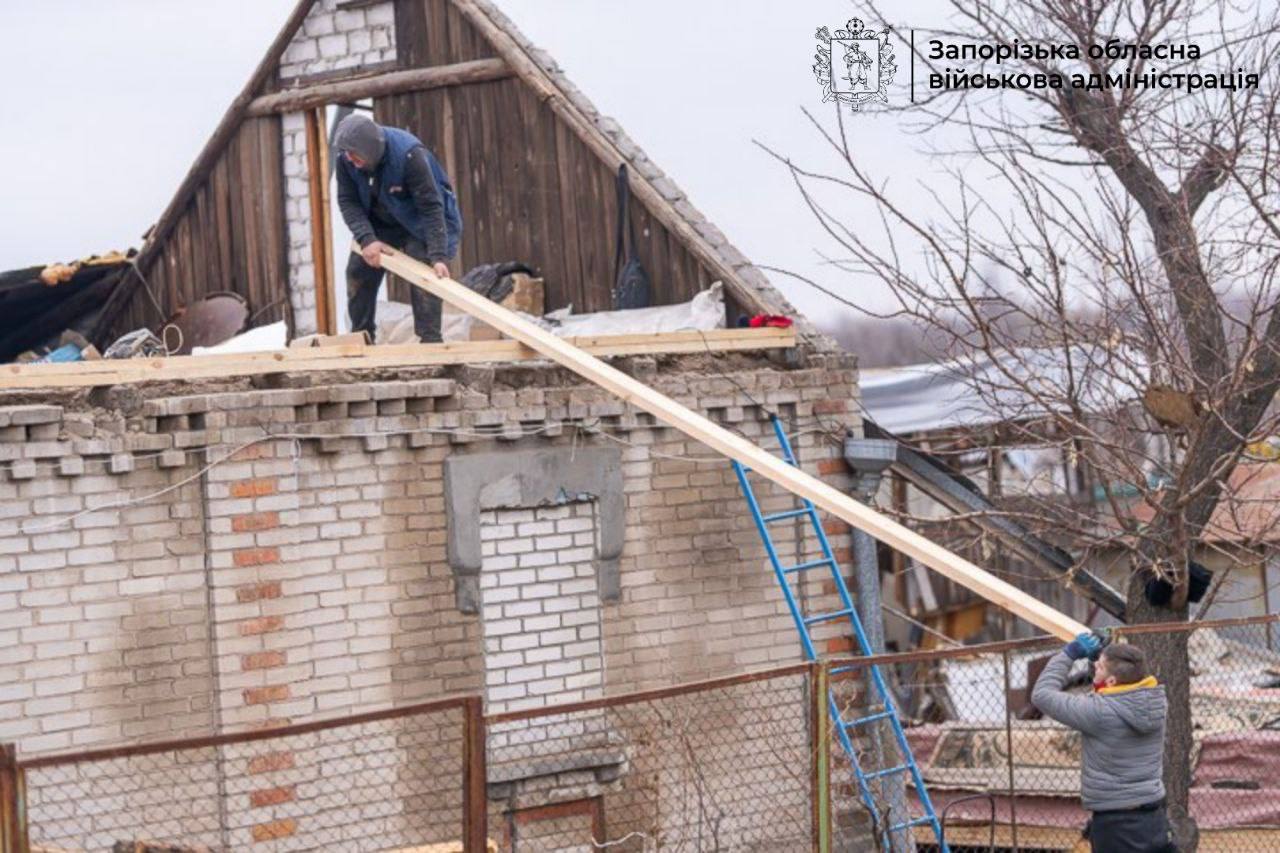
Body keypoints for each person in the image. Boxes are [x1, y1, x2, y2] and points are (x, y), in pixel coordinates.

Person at [1032, 632, 1176, 852]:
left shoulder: (1097, 713)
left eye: (1098, 667)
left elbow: (1042, 694)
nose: (1094, 669)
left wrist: (1068, 655)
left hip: (1116, 823)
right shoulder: (1155, 701)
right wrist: (1101, 660)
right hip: (1153, 815)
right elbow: (1114, 695)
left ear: (1110, 681)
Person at [333, 113, 461, 343]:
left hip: (421, 222)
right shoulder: (346, 161)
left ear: (369, 148)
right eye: (346, 154)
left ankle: (430, 343)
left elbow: (431, 208)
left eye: (354, 154)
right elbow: (348, 201)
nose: (350, 159)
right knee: (357, 271)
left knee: (424, 272)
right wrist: (366, 238)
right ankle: (361, 341)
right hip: (382, 222)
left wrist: (438, 256)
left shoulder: (410, 155)